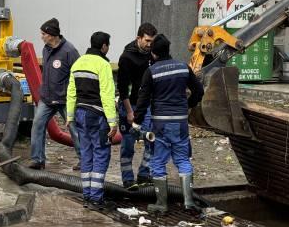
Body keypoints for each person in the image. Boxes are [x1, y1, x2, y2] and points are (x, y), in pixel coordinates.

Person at [133, 35, 204, 214]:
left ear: (154, 53)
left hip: (160, 124)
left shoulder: (152, 71)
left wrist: (137, 122)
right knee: (183, 159)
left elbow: (143, 99)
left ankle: (161, 204)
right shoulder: (183, 67)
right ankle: (189, 202)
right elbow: (199, 90)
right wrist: (188, 105)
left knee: (158, 161)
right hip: (180, 123)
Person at [67, 31, 117, 210]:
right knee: (101, 153)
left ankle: (87, 194)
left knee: (86, 153)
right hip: (97, 116)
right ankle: (96, 198)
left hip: (80, 114)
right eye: (108, 45)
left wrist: (69, 116)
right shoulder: (103, 65)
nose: (108, 48)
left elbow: (71, 92)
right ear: (103, 46)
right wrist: (113, 122)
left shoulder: (78, 63)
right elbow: (107, 94)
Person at [29, 18, 80, 170]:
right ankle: (37, 159)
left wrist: (75, 97)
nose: (41, 36)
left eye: (43, 33)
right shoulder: (46, 49)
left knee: (74, 129)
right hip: (47, 98)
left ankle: (84, 159)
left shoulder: (69, 51)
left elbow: (78, 74)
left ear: (52, 34)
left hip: (65, 100)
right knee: (37, 125)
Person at [117, 22, 157, 189]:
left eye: (152, 41)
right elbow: (123, 88)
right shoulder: (127, 57)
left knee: (152, 140)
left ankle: (144, 174)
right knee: (128, 144)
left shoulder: (151, 55)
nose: (149, 45)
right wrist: (128, 111)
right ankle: (127, 179)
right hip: (130, 105)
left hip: (146, 105)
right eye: (147, 41)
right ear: (138, 38)